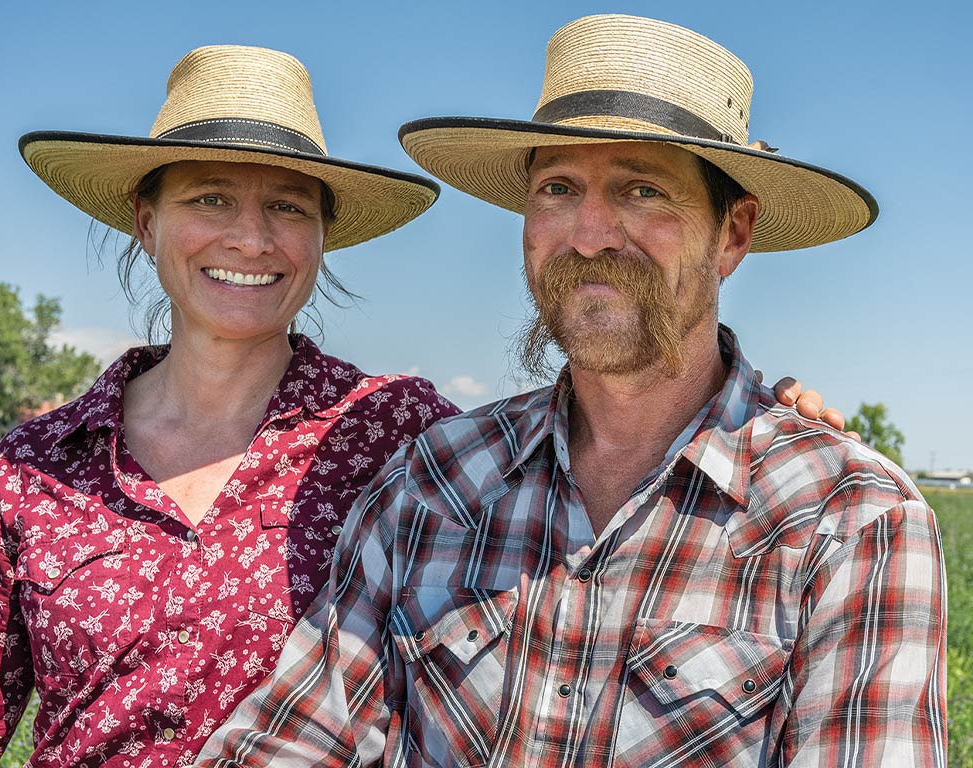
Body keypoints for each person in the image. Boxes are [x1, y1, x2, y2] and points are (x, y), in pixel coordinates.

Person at [195, 15, 946, 768]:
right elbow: (296, 739)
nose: (589, 234)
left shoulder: (847, 521)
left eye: (643, 190)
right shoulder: (437, 480)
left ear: (733, 234)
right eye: (558, 187)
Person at [0, 45, 460, 768]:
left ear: (321, 238)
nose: (250, 238)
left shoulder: (397, 434)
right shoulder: (34, 467)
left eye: (286, 206)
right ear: (147, 223)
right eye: (210, 198)